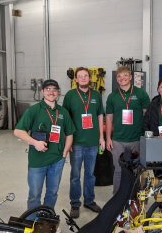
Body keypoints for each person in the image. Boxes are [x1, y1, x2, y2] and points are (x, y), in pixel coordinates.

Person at [14, 79, 76, 217]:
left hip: (57, 160)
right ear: (42, 92)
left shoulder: (63, 112)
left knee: (52, 193)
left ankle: (46, 221)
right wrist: (35, 142)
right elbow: (18, 131)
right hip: (38, 161)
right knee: (34, 195)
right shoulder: (34, 110)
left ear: (58, 92)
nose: (51, 92)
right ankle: (32, 222)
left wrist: (65, 152)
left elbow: (70, 133)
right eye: (48, 89)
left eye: (54, 89)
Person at [62, 67, 105, 218]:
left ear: (89, 78)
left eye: (85, 75)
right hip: (76, 142)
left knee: (90, 174)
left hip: (93, 142)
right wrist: (68, 141)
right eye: (80, 76)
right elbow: (65, 119)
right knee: (75, 175)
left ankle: (89, 200)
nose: (83, 78)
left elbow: (100, 116)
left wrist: (101, 137)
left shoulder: (96, 95)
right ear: (76, 79)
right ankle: (75, 203)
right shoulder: (70, 95)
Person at [106, 66, 150, 194]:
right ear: (116, 79)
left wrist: (146, 138)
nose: (122, 78)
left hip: (137, 139)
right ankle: (118, 198)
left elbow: (147, 116)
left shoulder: (141, 94)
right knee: (119, 170)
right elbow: (109, 118)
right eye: (119, 76)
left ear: (131, 77)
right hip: (118, 140)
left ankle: (136, 198)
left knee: (137, 170)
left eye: (125, 75)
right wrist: (108, 138)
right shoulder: (112, 96)